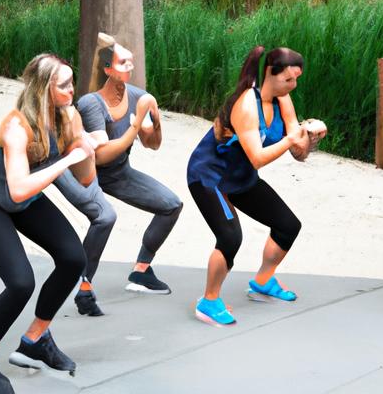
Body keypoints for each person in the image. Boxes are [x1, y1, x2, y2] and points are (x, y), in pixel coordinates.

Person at [0, 54, 101, 393]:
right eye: (64, 85)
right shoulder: (16, 126)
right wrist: (68, 157)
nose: (73, 90)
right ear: (44, 89)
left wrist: (86, 146)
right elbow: (18, 187)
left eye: (72, 82)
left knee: (73, 258)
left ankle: (35, 338)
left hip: (23, 199)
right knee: (21, 281)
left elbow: (86, 179)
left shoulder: (68, 117)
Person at [187, 45, 327, 327]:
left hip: (241, 179)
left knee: (288, 225)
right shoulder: (247, 106)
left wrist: (310, 140)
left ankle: (263, 281)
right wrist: (292, 139)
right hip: (209, 176)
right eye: (289, 79)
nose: (293, 85)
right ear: (270, 74)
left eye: (296, 79)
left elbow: (297, 153)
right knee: (229, 237)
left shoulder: (282, 100)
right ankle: (209, 301)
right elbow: (258, 157)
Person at [75, 32, 183, 302]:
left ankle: (141, 271)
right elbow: (101, 156)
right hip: (86, 174)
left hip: (119, 173)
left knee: (171, 204)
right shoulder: (91, 103)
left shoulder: (139, 97)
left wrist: (155, 121)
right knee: (104, 218)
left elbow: (152, 144)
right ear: (108, 70)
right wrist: (135, 125)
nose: (130, 68)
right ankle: (83, 284)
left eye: (131, 62)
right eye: (123, 63)